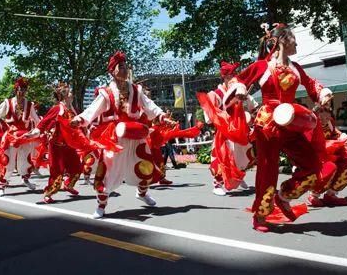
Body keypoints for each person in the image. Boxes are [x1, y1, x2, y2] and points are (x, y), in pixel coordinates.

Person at [231, 23, 336, 232]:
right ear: (282, 41)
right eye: (293, 38)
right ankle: (261, 215)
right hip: (267, 123)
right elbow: (238, 79)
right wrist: (240, 87)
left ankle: (283, 196)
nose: (296, 42)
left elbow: (312, 85)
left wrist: (322, 93)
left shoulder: (296, 68)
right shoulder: (262, 66)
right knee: (268, 170)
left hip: (291, 121)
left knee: (312, 165)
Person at [70, 51, 175, 219]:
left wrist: (162, 117)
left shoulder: (136, 90)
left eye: (126, 66)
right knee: (107, 173)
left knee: (145, 167)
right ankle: (101, 205)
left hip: (136, 136)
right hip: (115, 139)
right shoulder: (106, 93)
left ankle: (142, 193)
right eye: (121, 67)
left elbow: (150, 106)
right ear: (112, 71)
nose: (125, 69)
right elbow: (92, 110)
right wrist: (80, 119)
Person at [199, 61, 257, 196]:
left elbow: (253, 107)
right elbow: (210, 117)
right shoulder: (215, 94)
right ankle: (217, 183)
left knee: (242, 155)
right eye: (231, 75)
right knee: (222, 157)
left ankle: (238, 178)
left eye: (235, 75)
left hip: (241, 130)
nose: (234, 78)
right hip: (224, 132)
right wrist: (226, 119)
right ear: (224, 77)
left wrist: (251, 115)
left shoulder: (241, 90)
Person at [0, 77, 41, 197]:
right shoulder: (8, 103)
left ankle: (25, 180)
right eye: (20, 89)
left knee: (25, 162)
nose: (22, 92)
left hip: (25, 137)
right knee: (8, 163)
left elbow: (37, 120)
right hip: (11, 138)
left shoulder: (29, 105)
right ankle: (2, 186)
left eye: (25, 89)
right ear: (16, 89)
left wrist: (41, 130)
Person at [37, 82, 83, 203]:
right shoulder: (57, 108)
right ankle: (48, 193)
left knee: (77, 168)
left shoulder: (73, 110)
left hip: (69, 145)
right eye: (71, 92)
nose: (72, 94)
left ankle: (68, 185)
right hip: (56, 145)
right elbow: (43, 123)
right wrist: (34, 132)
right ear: (65, 95)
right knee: (57, 172)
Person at [308, 106, 347, 207]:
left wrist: (342, 137)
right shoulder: (309, 127)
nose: (324, 121)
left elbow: (336, 133)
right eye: (321, 119)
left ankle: (331, 194)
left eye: (327, 118)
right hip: (315, 159)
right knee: (329, 168)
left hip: (332, 155)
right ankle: (314, 195)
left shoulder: (330, 124)